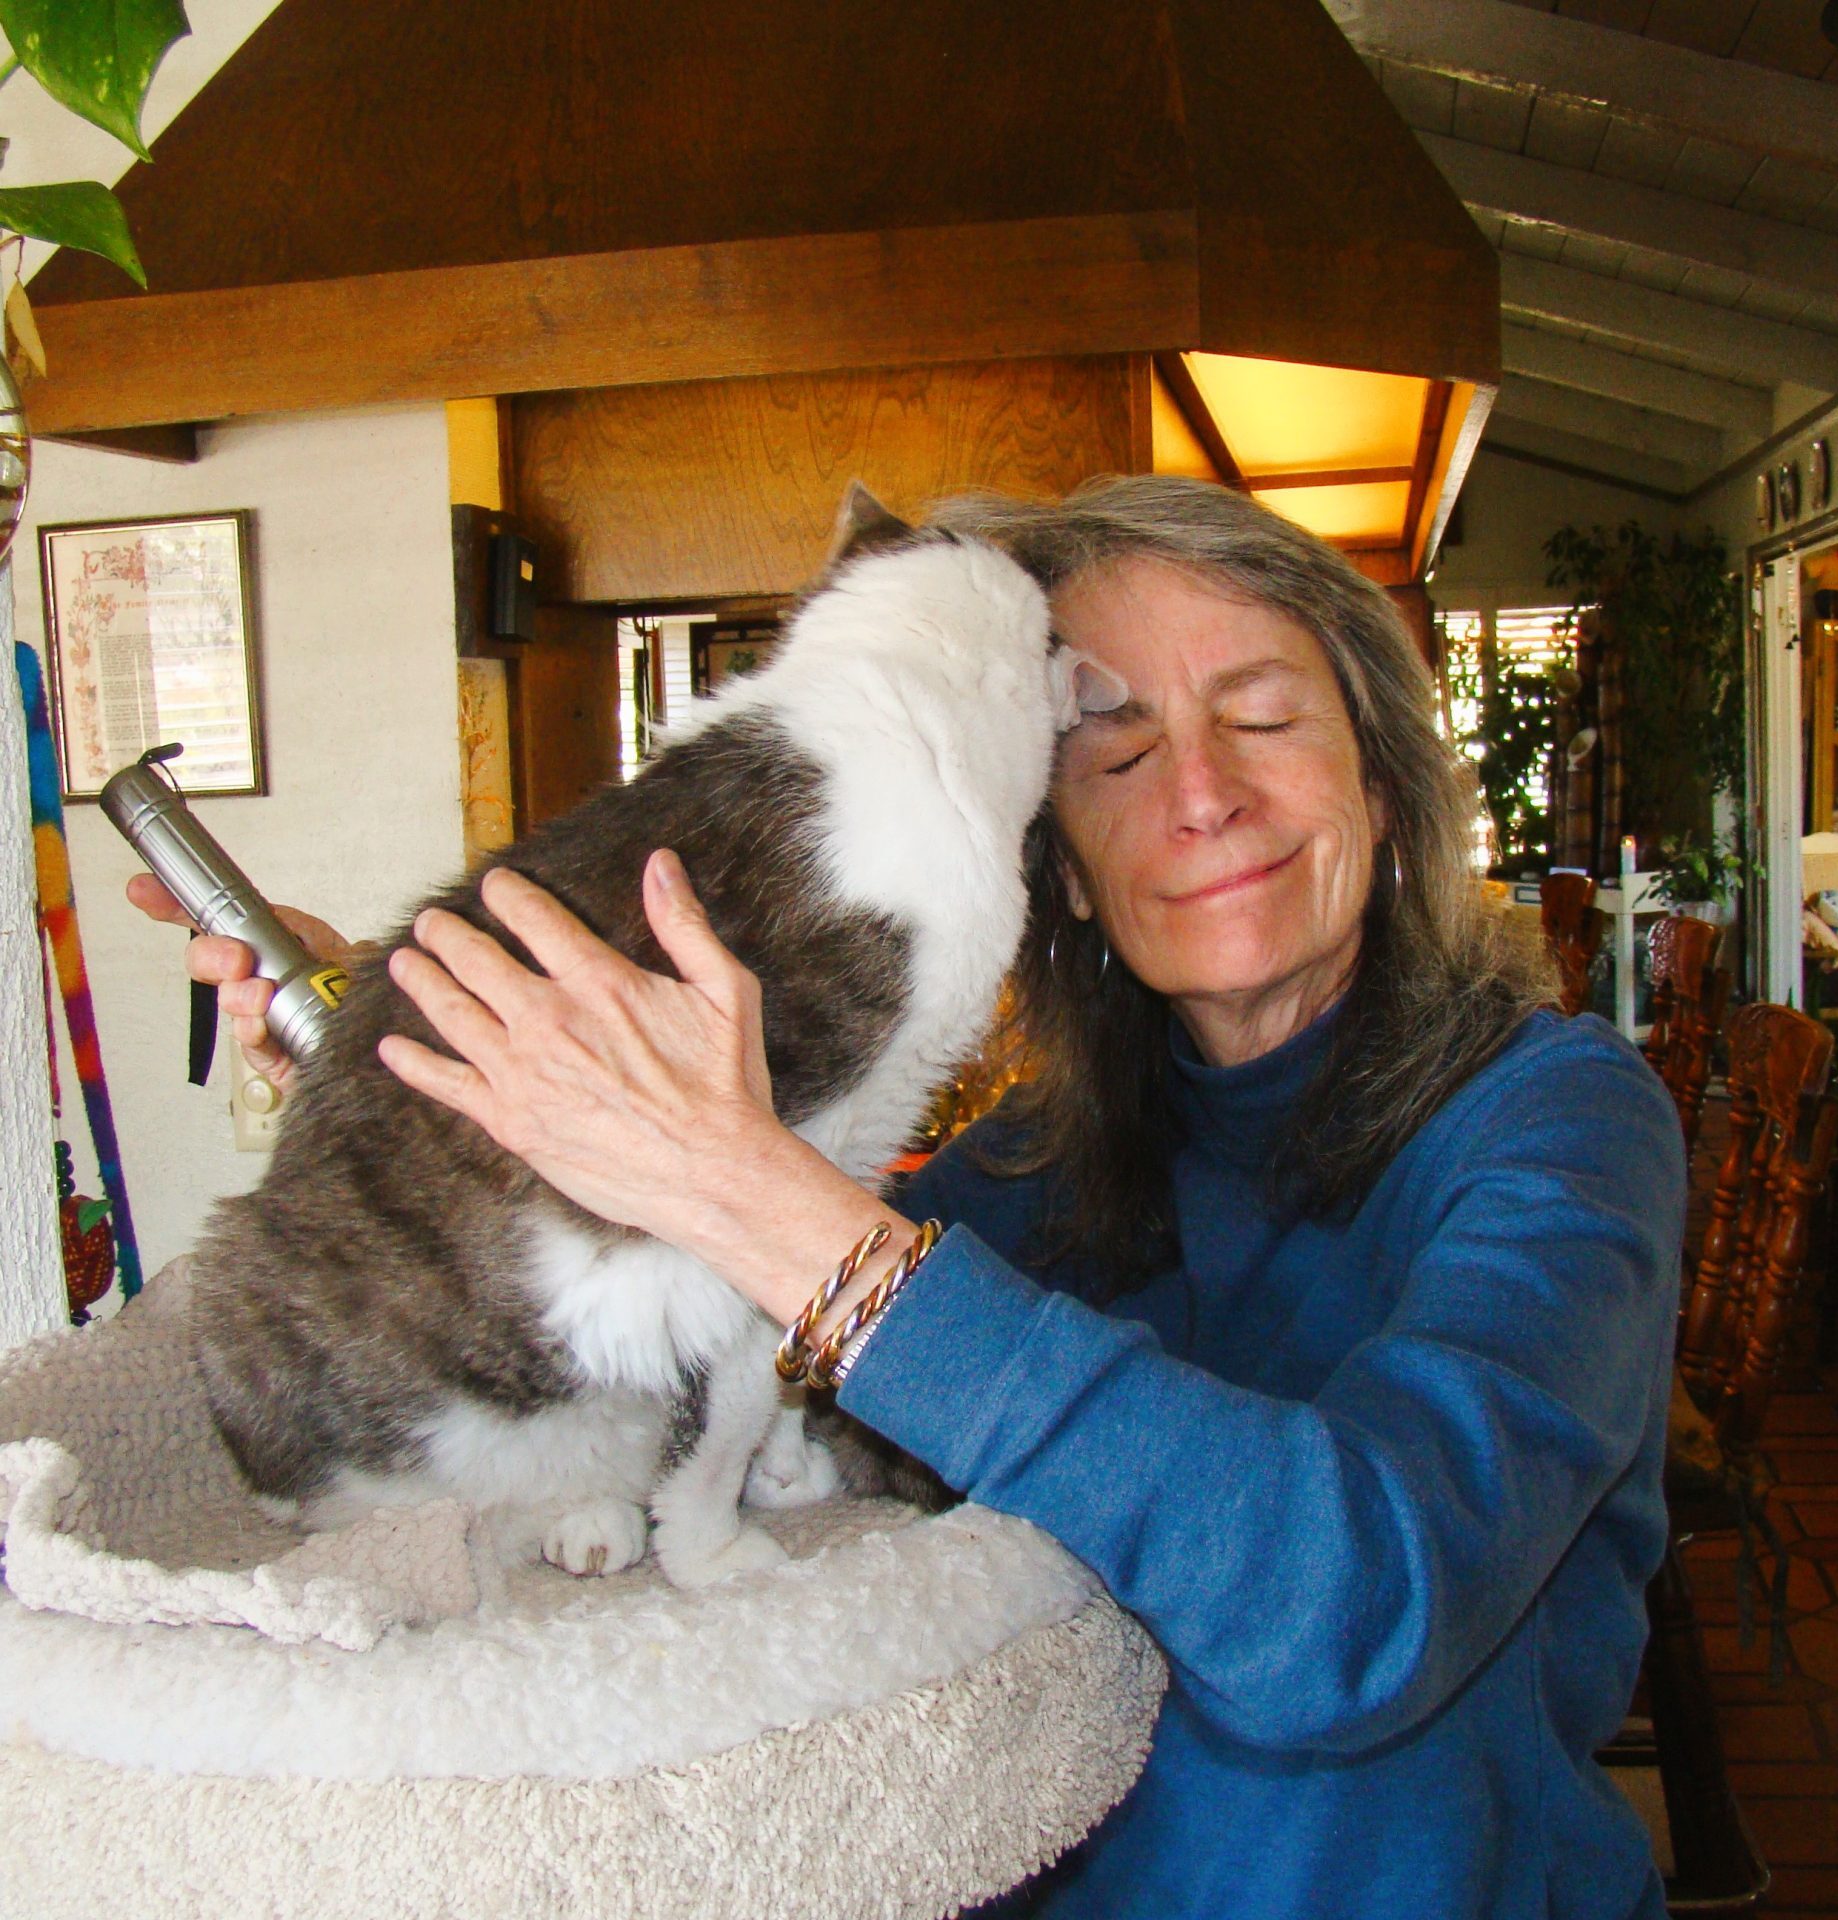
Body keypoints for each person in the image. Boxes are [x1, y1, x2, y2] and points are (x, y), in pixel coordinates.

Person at [137, 476, 1685, 1919]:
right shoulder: (1035, 1162)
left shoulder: (1559, 1124)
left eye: (1264, 718)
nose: (1199, 794)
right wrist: (416, 1061)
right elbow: (739, 1327)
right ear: (1059, 866)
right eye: (1122, 753)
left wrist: (751, 1187)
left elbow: (1355, 1608)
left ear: (1388, 786)